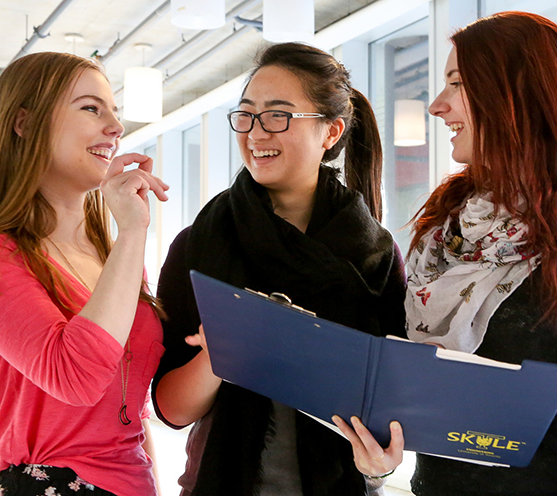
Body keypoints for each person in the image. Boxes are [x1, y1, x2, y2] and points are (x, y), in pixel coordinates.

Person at [337, 11, 557, 495]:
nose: (437, 106)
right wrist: (379, 459)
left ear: (518, 97)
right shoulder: (444, 228)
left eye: (457, 84)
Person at [152, 42, 407, 495]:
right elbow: (171, 410)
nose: (255, 133)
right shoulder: (200, 244)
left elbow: (391, 412)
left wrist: (380, 466)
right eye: (246, 115)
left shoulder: (375, 255)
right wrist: (219, 354)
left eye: (277, 115)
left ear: (331, 132)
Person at [0, 51, 169, 496]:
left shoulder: (113, 257)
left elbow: (134, 410)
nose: (115, 128)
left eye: (115, 113)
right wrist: (133, 231)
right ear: (24, 124)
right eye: (90, 107)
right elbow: (75, 377)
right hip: (48, 483)